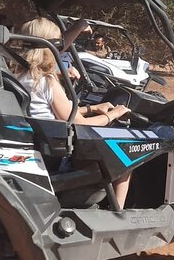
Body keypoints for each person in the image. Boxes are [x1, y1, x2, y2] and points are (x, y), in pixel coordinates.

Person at [13, 17, 132, 208]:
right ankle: (118, 214)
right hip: (56, 156)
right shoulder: (47, 82)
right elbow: (80, 124)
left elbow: (56, 112)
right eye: (58, 43)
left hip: (36, 145)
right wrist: (114, 114)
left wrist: (94, 108)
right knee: (125, 158)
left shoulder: (19, 77)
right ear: (48, 47)